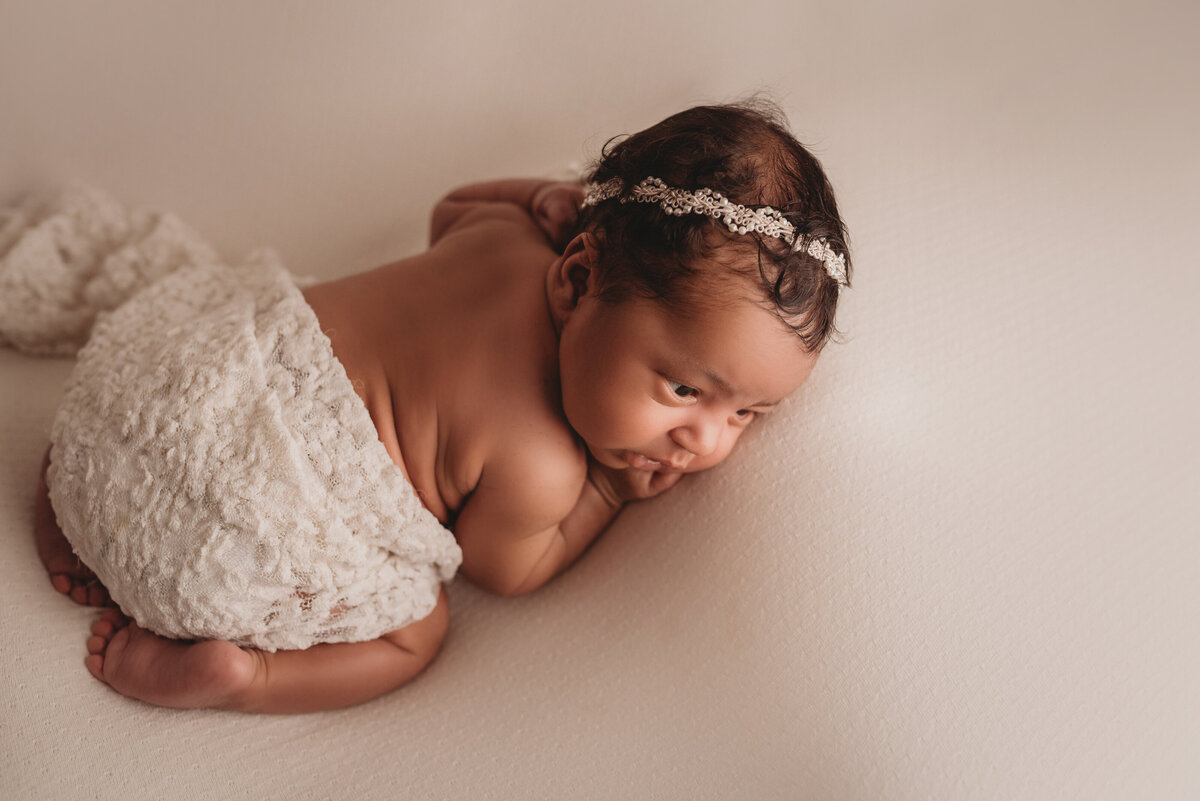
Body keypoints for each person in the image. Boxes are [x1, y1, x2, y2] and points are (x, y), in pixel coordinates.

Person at [20, 100, 851, 713]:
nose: (703, 441)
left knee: (170, 342)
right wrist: (611, 491)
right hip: (229, 528)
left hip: (159, 393)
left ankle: (68, 487)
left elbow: (447, 208)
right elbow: (507, 569)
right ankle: (242, 677)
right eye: (683, 389)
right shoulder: (547, 465)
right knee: (417, 633)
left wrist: (547, 199)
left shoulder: (502, 232)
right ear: (577, 279)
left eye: (747, 414)